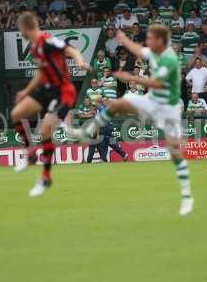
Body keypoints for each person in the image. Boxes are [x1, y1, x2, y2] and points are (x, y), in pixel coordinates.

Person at [68, 25, 194, 216]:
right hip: (153, 100)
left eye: (152, 38)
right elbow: (139, 50)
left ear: (161, 40)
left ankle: (186, 196)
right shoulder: (154, 51)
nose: (148, 41)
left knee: (175, 152)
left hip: (169, 107)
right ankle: (87, 132)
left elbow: (157, 83)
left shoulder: (169, 58)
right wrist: (124, 40)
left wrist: (129, 77)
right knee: (118, 104)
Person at [10, 11, 89, 197]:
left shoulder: (48, 40)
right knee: (16, 114)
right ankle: (30, 153)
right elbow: (40, 72)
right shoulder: (34, 48)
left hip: (62, 91)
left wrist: (80, 62)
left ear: (24, 27)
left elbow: (71, 50)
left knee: (45, 131)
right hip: (45, 90)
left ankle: (45, 178)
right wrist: (26, 91)